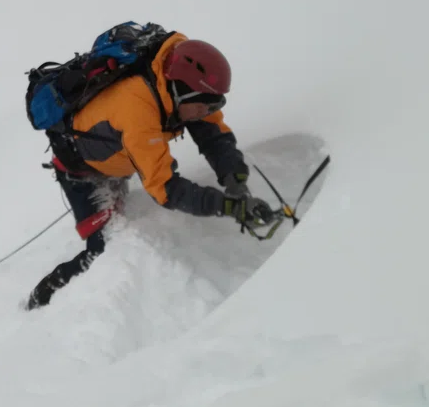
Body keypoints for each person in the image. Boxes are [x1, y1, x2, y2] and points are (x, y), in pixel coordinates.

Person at [26, 30, 275, 310]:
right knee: (106, 251)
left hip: (120, 159)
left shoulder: (177, 84)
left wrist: (235, 180)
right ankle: (41, 298)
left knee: (124, 212)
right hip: (81, 174)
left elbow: (213, 134)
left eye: (214, 104)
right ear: (181, 93)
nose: (208, 111)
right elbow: (166, 188)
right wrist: (230, 207)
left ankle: (114, 190)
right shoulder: (137, 107)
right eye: (204, 105)